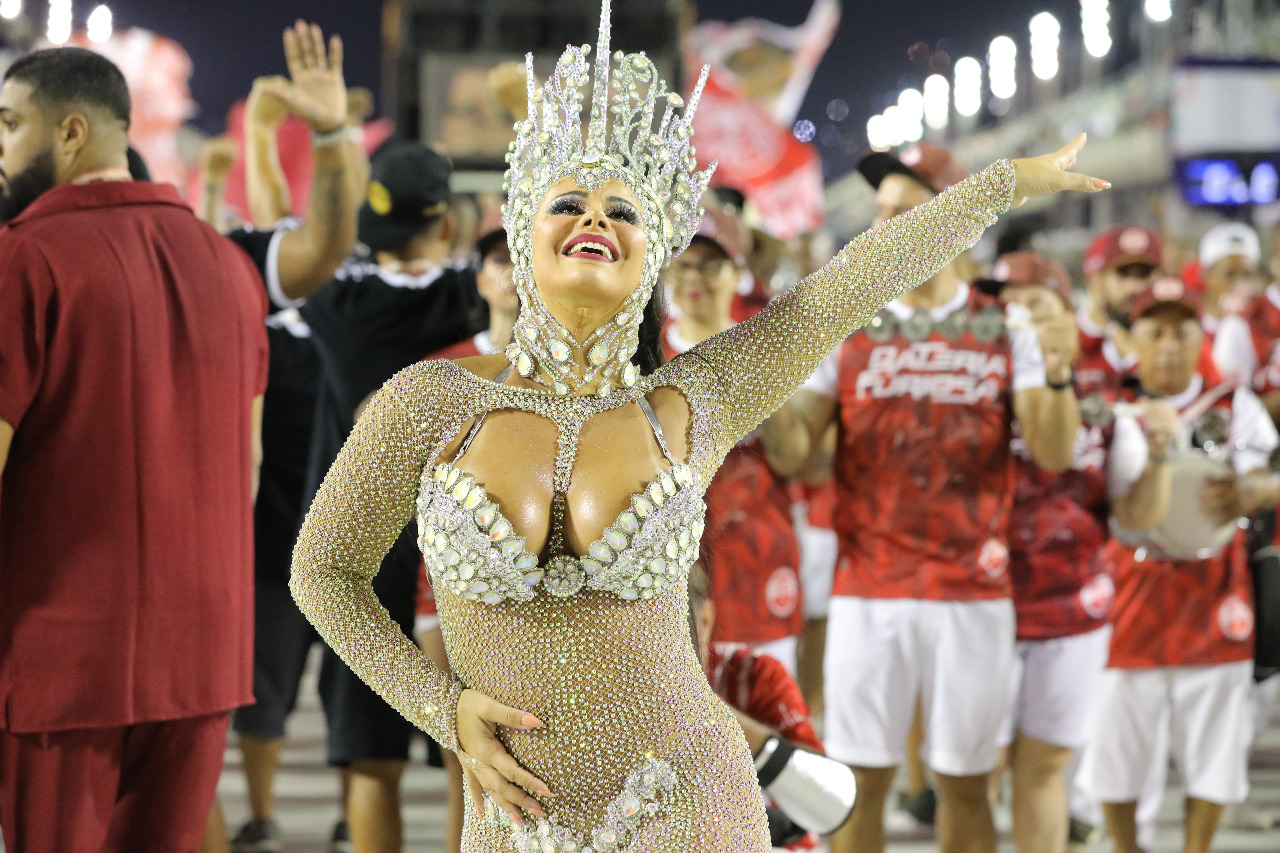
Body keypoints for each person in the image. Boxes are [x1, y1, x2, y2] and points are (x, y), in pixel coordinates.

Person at [288, 1, 1107, 848]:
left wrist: (1000, 186)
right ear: (520, 230)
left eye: (625, 209)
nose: (596, 218)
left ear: (654, 254)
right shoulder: (430, 402)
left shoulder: (694, 399)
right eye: (568, 201)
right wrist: (442, 706)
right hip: (517, 819)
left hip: (689, 799)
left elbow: (838, 293)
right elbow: (323, 572)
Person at [0, 47, 268, 852]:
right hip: (204, 648)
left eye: (10, 125)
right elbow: (245, 471)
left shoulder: (22, 258)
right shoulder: (227, 264)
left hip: (60, 652)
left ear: (71, 131)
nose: (0, 148)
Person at [791, 142, 1084, 853]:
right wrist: (777, 370)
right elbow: (797, 454)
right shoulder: (848, 324)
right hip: (869, 588)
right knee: (857, 783)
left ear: (954, 222)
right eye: (881, 212)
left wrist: (1059, 369)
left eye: (905, 211)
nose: (885, 225)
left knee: (965, 784)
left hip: (972, 592)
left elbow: (1053, 452)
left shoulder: (1005, 326)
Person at [293, 139, 485, 853]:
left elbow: (311, 255)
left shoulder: (339, 304)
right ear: (447, 225)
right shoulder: (468, 298)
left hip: (360, 558)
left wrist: (329, 149)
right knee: (472, 759)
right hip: (466, 558)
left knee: (370, 762)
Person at [208, 22, 366, 853]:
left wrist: (328, 134)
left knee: (349, 689)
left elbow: (312, 233)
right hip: (273, 539)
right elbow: (278, 232)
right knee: (261, 695)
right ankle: (263, 816)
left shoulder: (360, 316)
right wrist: (268, 135)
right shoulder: (262, 312)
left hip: (349, 541)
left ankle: (349, 814)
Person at [1080, 280, 1280, 853]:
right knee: (1116, 741)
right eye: (1155, 331)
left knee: (1216, 743)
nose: (1169, 344)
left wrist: (1255, 489)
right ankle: (1127, 847)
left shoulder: (1232, 403)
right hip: (1129, 590)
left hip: (1214, 589)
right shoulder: (1112, 404)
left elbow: (1266, 475)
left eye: (1181, 330)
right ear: (1131, 337)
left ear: (1202, 335)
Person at [980, 252, 1115, 853]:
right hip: (978, 600)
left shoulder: (1105, 387)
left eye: (1038, 303)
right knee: (974, 772)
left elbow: (1125, 500)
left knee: (1041, 770)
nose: (1022, 317)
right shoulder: (968, 375)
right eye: (1009, 304)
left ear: (1068, 311)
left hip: (1068, 602)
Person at [662, 209, 808, 675]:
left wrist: (770, 381)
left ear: (738, 272)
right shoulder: (644, 356)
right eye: (684, 264)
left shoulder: (762, 347)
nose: (693, 278)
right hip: (674, 567)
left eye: (710, 265)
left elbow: (792, 459)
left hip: (756, 554)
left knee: (763, 706)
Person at [411, 220, 518, 853]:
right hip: (449, 596)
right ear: (479, 276)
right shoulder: (441, 374)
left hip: (541, 603)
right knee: (468, 765)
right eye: (496, 260)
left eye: (517, 256)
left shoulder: (588, 376)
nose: (509, 272)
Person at [1077, 226, 1163, 362]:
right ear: (1098, 280)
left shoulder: (1179, 342)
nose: (1134, 287)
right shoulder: (1071, 339)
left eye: (1144, 275)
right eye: (1122, 274)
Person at [1198, 222, 1263, 333]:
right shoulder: (1188, 323)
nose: (1239, 283)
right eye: (1230, 274)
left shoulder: (1268, 331)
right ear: (1206, 274)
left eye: (1247, 275)